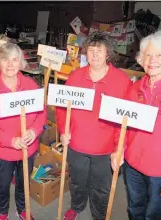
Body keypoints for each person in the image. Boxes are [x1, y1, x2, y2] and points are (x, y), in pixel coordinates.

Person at [56, 31, 132, 220]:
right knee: (77, 181)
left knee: (101, 187)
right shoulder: (75, 77)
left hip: (105, 150)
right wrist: (63, 131)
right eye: (91, 50)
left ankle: (99, 215)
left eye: (100, 50)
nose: (95, 55)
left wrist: (119, 148)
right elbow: (62, 108)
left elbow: (126, 121)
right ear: (85, 53)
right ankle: (77, 206)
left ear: (108, 53)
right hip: (76, 145)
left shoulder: (122, 81)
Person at [111, 29, 161, 220]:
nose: (152, 60)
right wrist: (118, 149)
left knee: (154, 215)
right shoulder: (135, 88)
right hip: (132, 165)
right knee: (134, 208)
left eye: (159, 55)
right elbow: (122, 124)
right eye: (148, 55)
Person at [0, 42, 46, 220]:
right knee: (1, 184)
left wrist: (34, 130)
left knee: (24, 182)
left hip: (28, 148)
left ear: (21, 62)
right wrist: (9, 140)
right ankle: (2, 212)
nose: (10, 65)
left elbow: (41, 112)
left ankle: (22, 208)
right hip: (2, 151)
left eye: (14, 60)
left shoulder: (31, 85)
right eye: (5, 60)